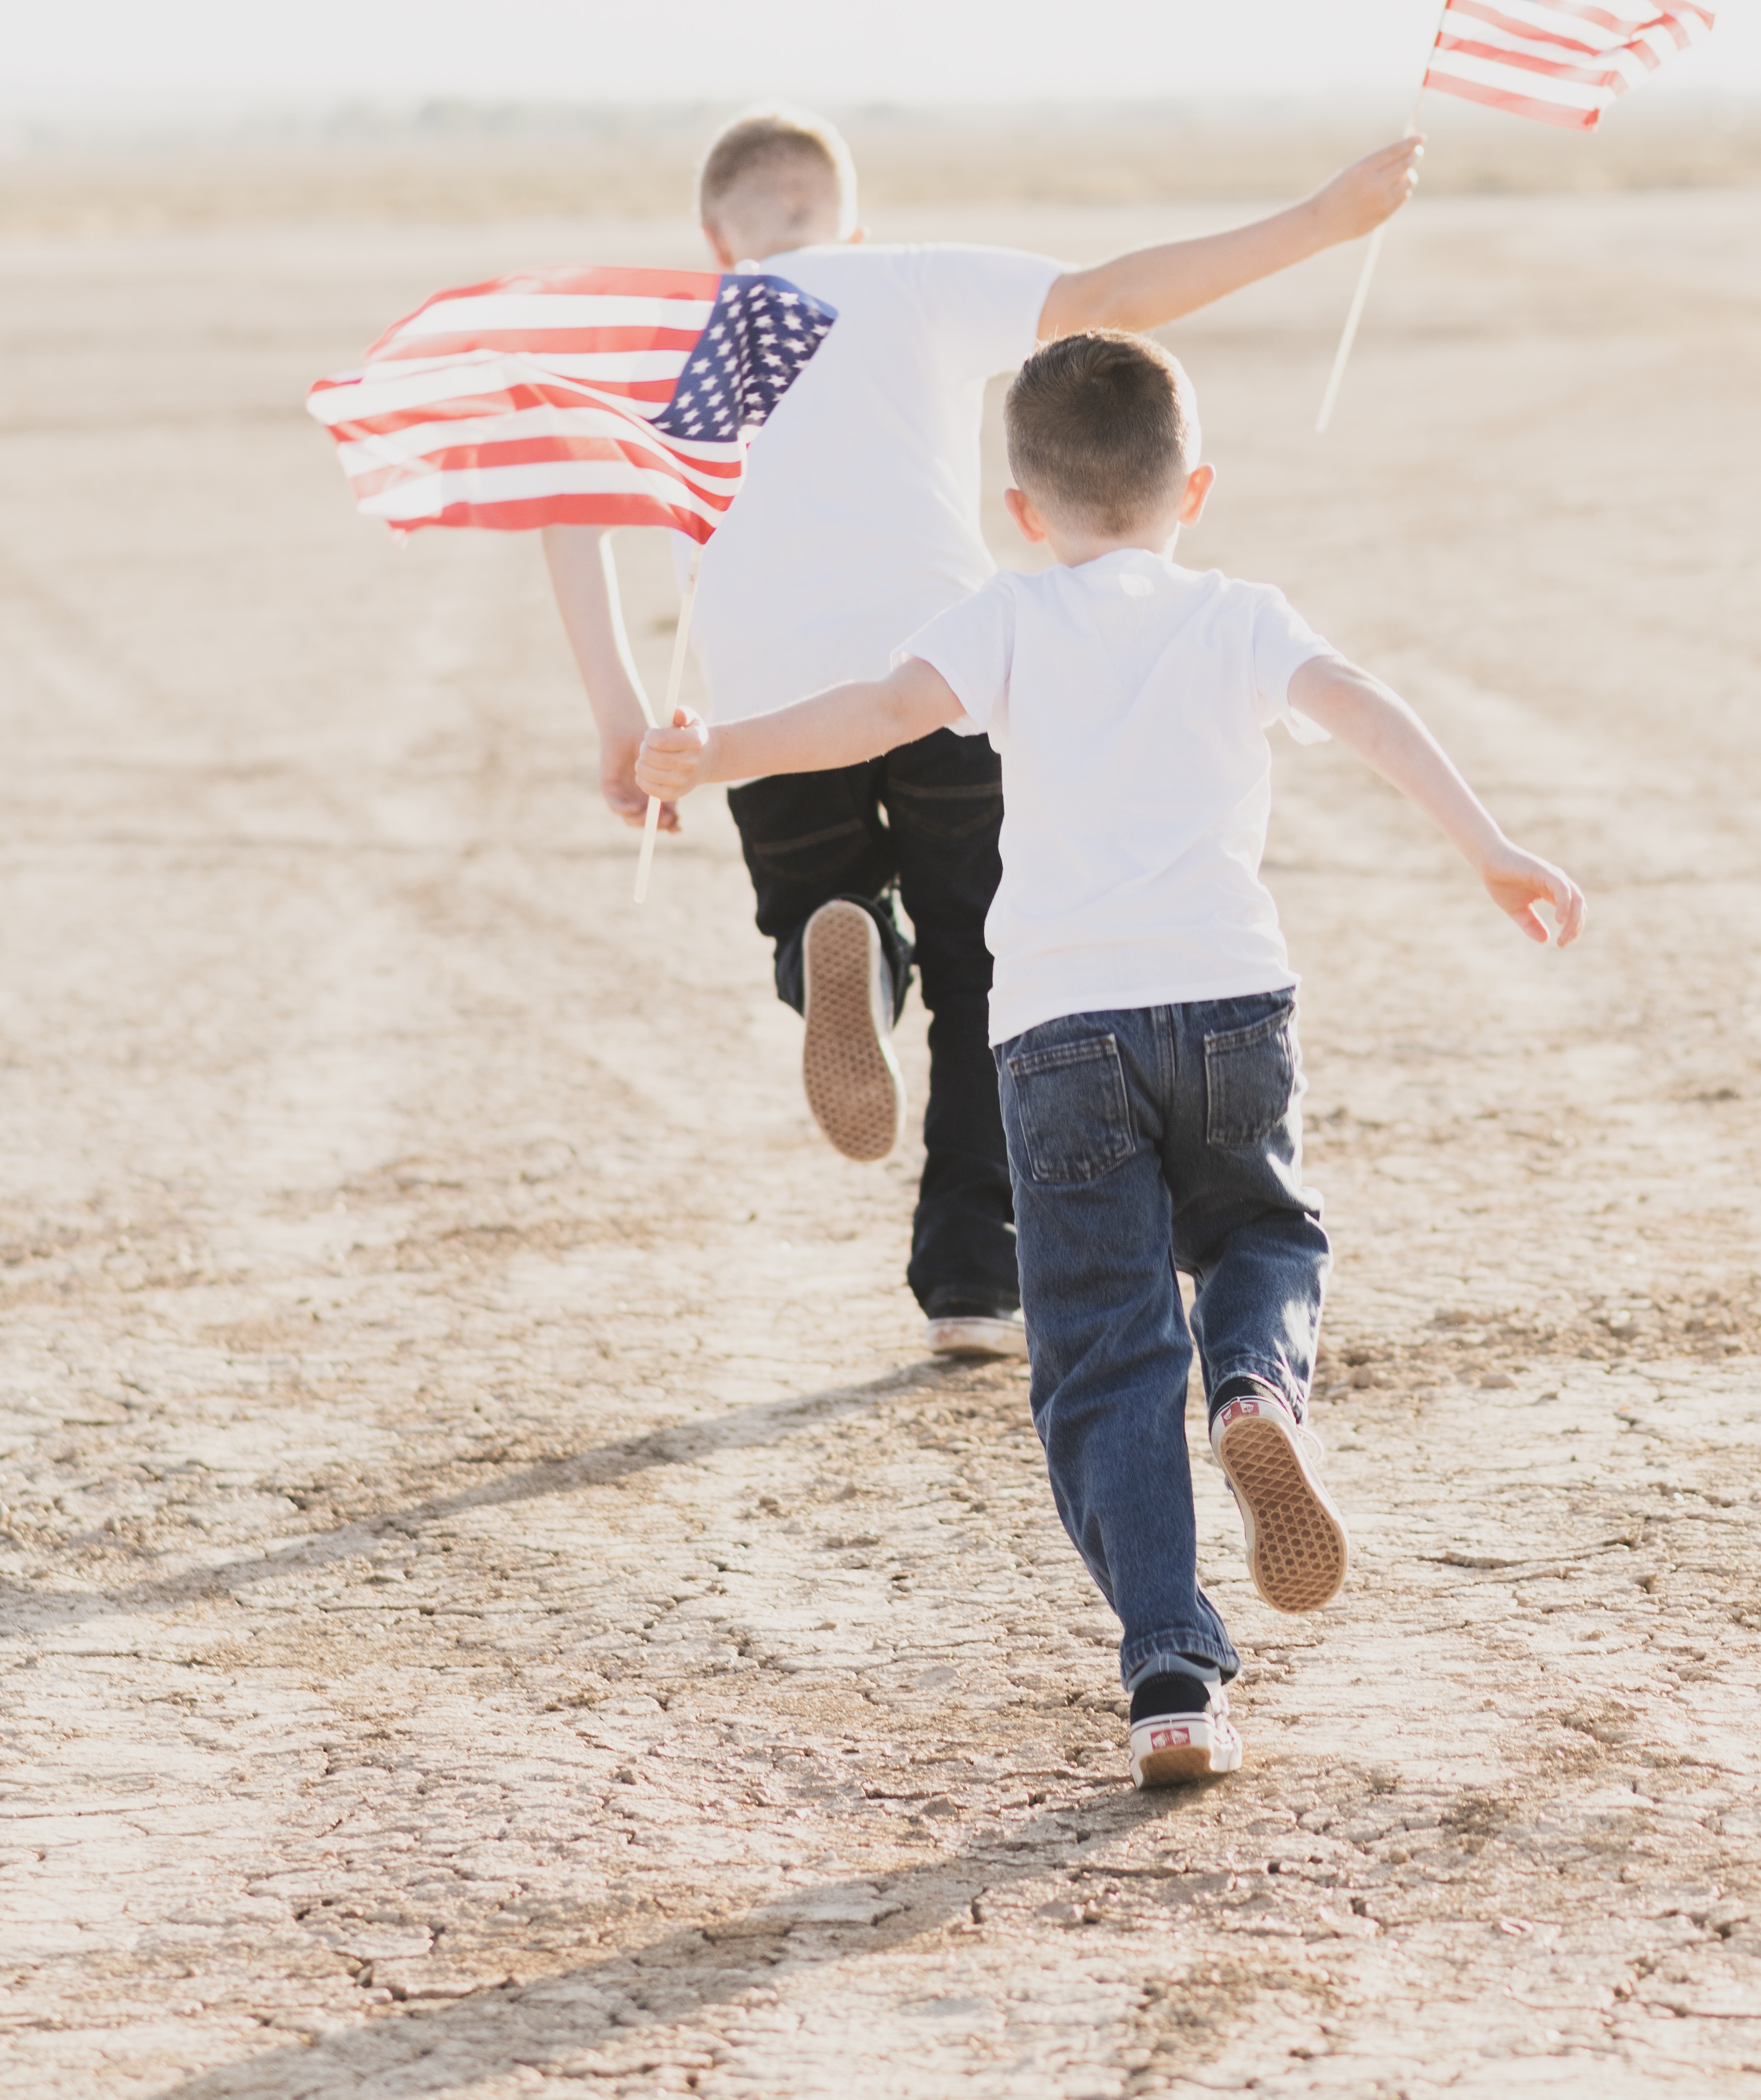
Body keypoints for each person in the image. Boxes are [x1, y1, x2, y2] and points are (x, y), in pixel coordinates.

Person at [633, 325, 1585, 1788]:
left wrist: (724, 749)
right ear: (1192, 486)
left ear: (1023, 509)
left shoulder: (1006, 614)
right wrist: (1490, 844)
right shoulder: (1241, 614)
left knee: (1099, 1353)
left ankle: (1172, 1671)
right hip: (1229, 1005)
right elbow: (1365, 709)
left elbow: (881, 713)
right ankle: (1259, 1385)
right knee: (1264, 1232)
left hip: (1060, 1029)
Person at [545, 111, 1424, 1367]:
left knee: (812, 896)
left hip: (763, 700)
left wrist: (624, 721)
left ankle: (835, 945)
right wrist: (1323, 220)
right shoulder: (903, 277)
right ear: (846, 216)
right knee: (981, 970)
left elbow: (567, 510)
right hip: (943, 669)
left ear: (713, 234)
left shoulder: (662, 326)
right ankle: (970, 1275)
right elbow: (1112, 297)